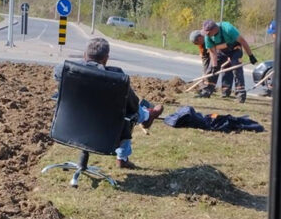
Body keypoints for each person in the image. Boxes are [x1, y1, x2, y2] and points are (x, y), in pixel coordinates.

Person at [54, 38, 163, 169]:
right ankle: (146, 117)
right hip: (103, 131)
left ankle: (146, 116)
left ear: (84, 55)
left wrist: (84, 64)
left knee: (126, 112)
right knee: (129, 113)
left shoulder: (65, 70)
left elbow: (59, 73)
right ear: (106, 58)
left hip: (69, 127)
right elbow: (132, 106)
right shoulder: (115, 76)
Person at [201, 20, 258, 103]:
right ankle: (207, 91)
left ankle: (240, 94)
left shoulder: (227, 28)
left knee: (236, 67)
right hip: (220, 50)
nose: (207, 35)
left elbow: (243, 41)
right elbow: (213, 52)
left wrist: (251, 56)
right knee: (211, 70)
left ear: (214, 29)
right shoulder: (207, 36)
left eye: (208, 33)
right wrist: (214, 66)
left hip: (235, 48)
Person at [188, 30, 233, 98]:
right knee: (209, 71)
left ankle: (225, 91)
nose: (197, 45)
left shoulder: (212, 36)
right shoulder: (201, 45)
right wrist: (205, 73)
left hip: (225, 49)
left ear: (200, 38)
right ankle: (205, 88)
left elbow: (218, 51)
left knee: (225, 68)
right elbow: (205, 58)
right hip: (213, 52)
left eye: (196, 43)